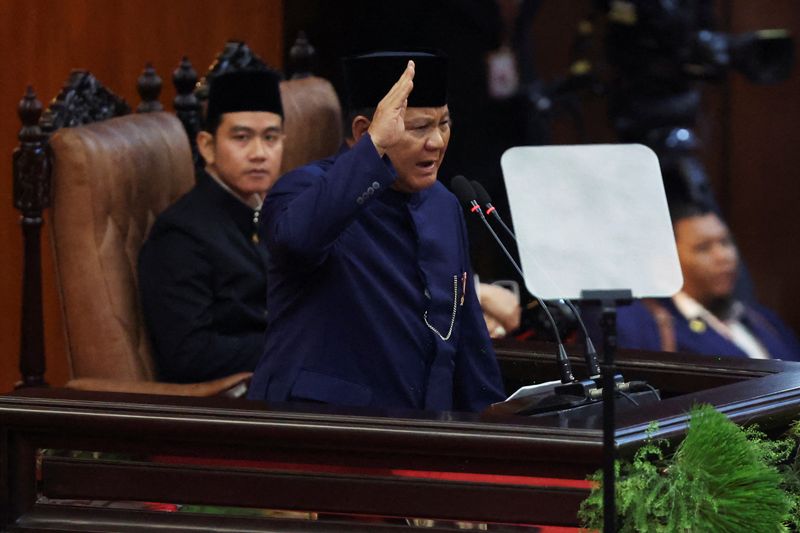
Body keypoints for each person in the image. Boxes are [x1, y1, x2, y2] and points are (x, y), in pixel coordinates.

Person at [247, 51, 506, 411]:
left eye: (443, 124)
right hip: (327, 432)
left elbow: (466, 338)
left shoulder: (443, 204)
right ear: (362, 132)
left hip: (425, 437)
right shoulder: (303, 191)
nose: (437, 142)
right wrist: (374, 149)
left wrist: (495, 427)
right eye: (418, 128)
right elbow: (297, 241)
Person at [138, 69, 285, 382]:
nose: (259, 153)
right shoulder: (181, 234)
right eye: (241, 138)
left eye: (271, 138)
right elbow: (190, 354)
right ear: (207, 146)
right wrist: (296, 343)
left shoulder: (274, 211)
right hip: (231, 409)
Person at [616, 201, 800, 360]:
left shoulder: (762, 318)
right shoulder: (651, 327)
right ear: (668, 258)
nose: (723, 256)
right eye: (703, 248)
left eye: (725, 242)